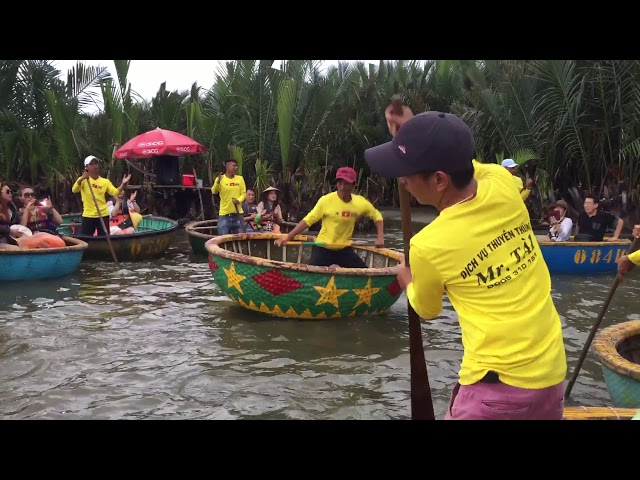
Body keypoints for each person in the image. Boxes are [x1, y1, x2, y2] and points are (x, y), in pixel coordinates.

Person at [365, 107, 567, 420]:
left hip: (497, 390)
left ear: (439, 180)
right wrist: (419, 133)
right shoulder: (503, 184)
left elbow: (428, 309)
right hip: (552, 373)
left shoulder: (429, 244)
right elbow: (470, 165)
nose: (401, 180)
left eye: (407, 171)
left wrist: (407, 281)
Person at [276, 167, 384, 268]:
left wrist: (380, 237)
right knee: (312, 277)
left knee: (364, 273)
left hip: (343, 249)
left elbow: (377, 216)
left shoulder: (360, 202)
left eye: (346, 184)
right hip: (323, 248)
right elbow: (308, 220)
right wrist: (289, 236)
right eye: (339, 183)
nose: (342, 187)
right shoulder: (326, 200)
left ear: (353, 185)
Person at [71, 155, 131, 236]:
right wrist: (81, 179)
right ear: (87, 167)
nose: (95, 165)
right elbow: (74, 190)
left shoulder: (105, 181)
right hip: (88, 215)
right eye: (92, 164)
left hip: (103, 215)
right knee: (86, 237)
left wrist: (122, 184)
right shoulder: (83, 180)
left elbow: (115, 192)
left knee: (104, 237)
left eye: (96, 163)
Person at [211, 159, 246, 235]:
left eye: (237, 166)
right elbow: (214, 191)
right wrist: (217, 182)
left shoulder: (240, 179)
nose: (236, 168)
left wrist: (238, 200)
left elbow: (243, 193)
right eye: (234, 166)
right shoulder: (220, 179)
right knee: (223, 239)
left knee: (242, 239)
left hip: (238, 215)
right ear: (227, 167)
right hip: (224, 215)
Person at [0, 182, 21, 248]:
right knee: (15, 248)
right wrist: (9, 231)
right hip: (2, 238)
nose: (10, 194)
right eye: (7, 192)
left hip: (9, 238)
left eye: (11, 192)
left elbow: (18, 224)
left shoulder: (12, 209)